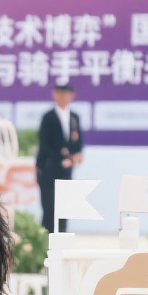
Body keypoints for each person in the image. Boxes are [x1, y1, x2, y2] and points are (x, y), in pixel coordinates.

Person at [35, 82, 84, 233]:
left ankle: (62, 241)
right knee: (49, 208)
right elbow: (45, 144)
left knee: (64, 207)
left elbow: (77, 141)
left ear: (72, 96)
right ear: (55, 95)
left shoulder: (74, 117)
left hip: (66, 171)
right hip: (49, 168)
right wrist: (61, 159)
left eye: (66, 94)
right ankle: (46, 243)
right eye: (59, 93)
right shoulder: (48, 117)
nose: (63, 97)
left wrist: (76, 155)